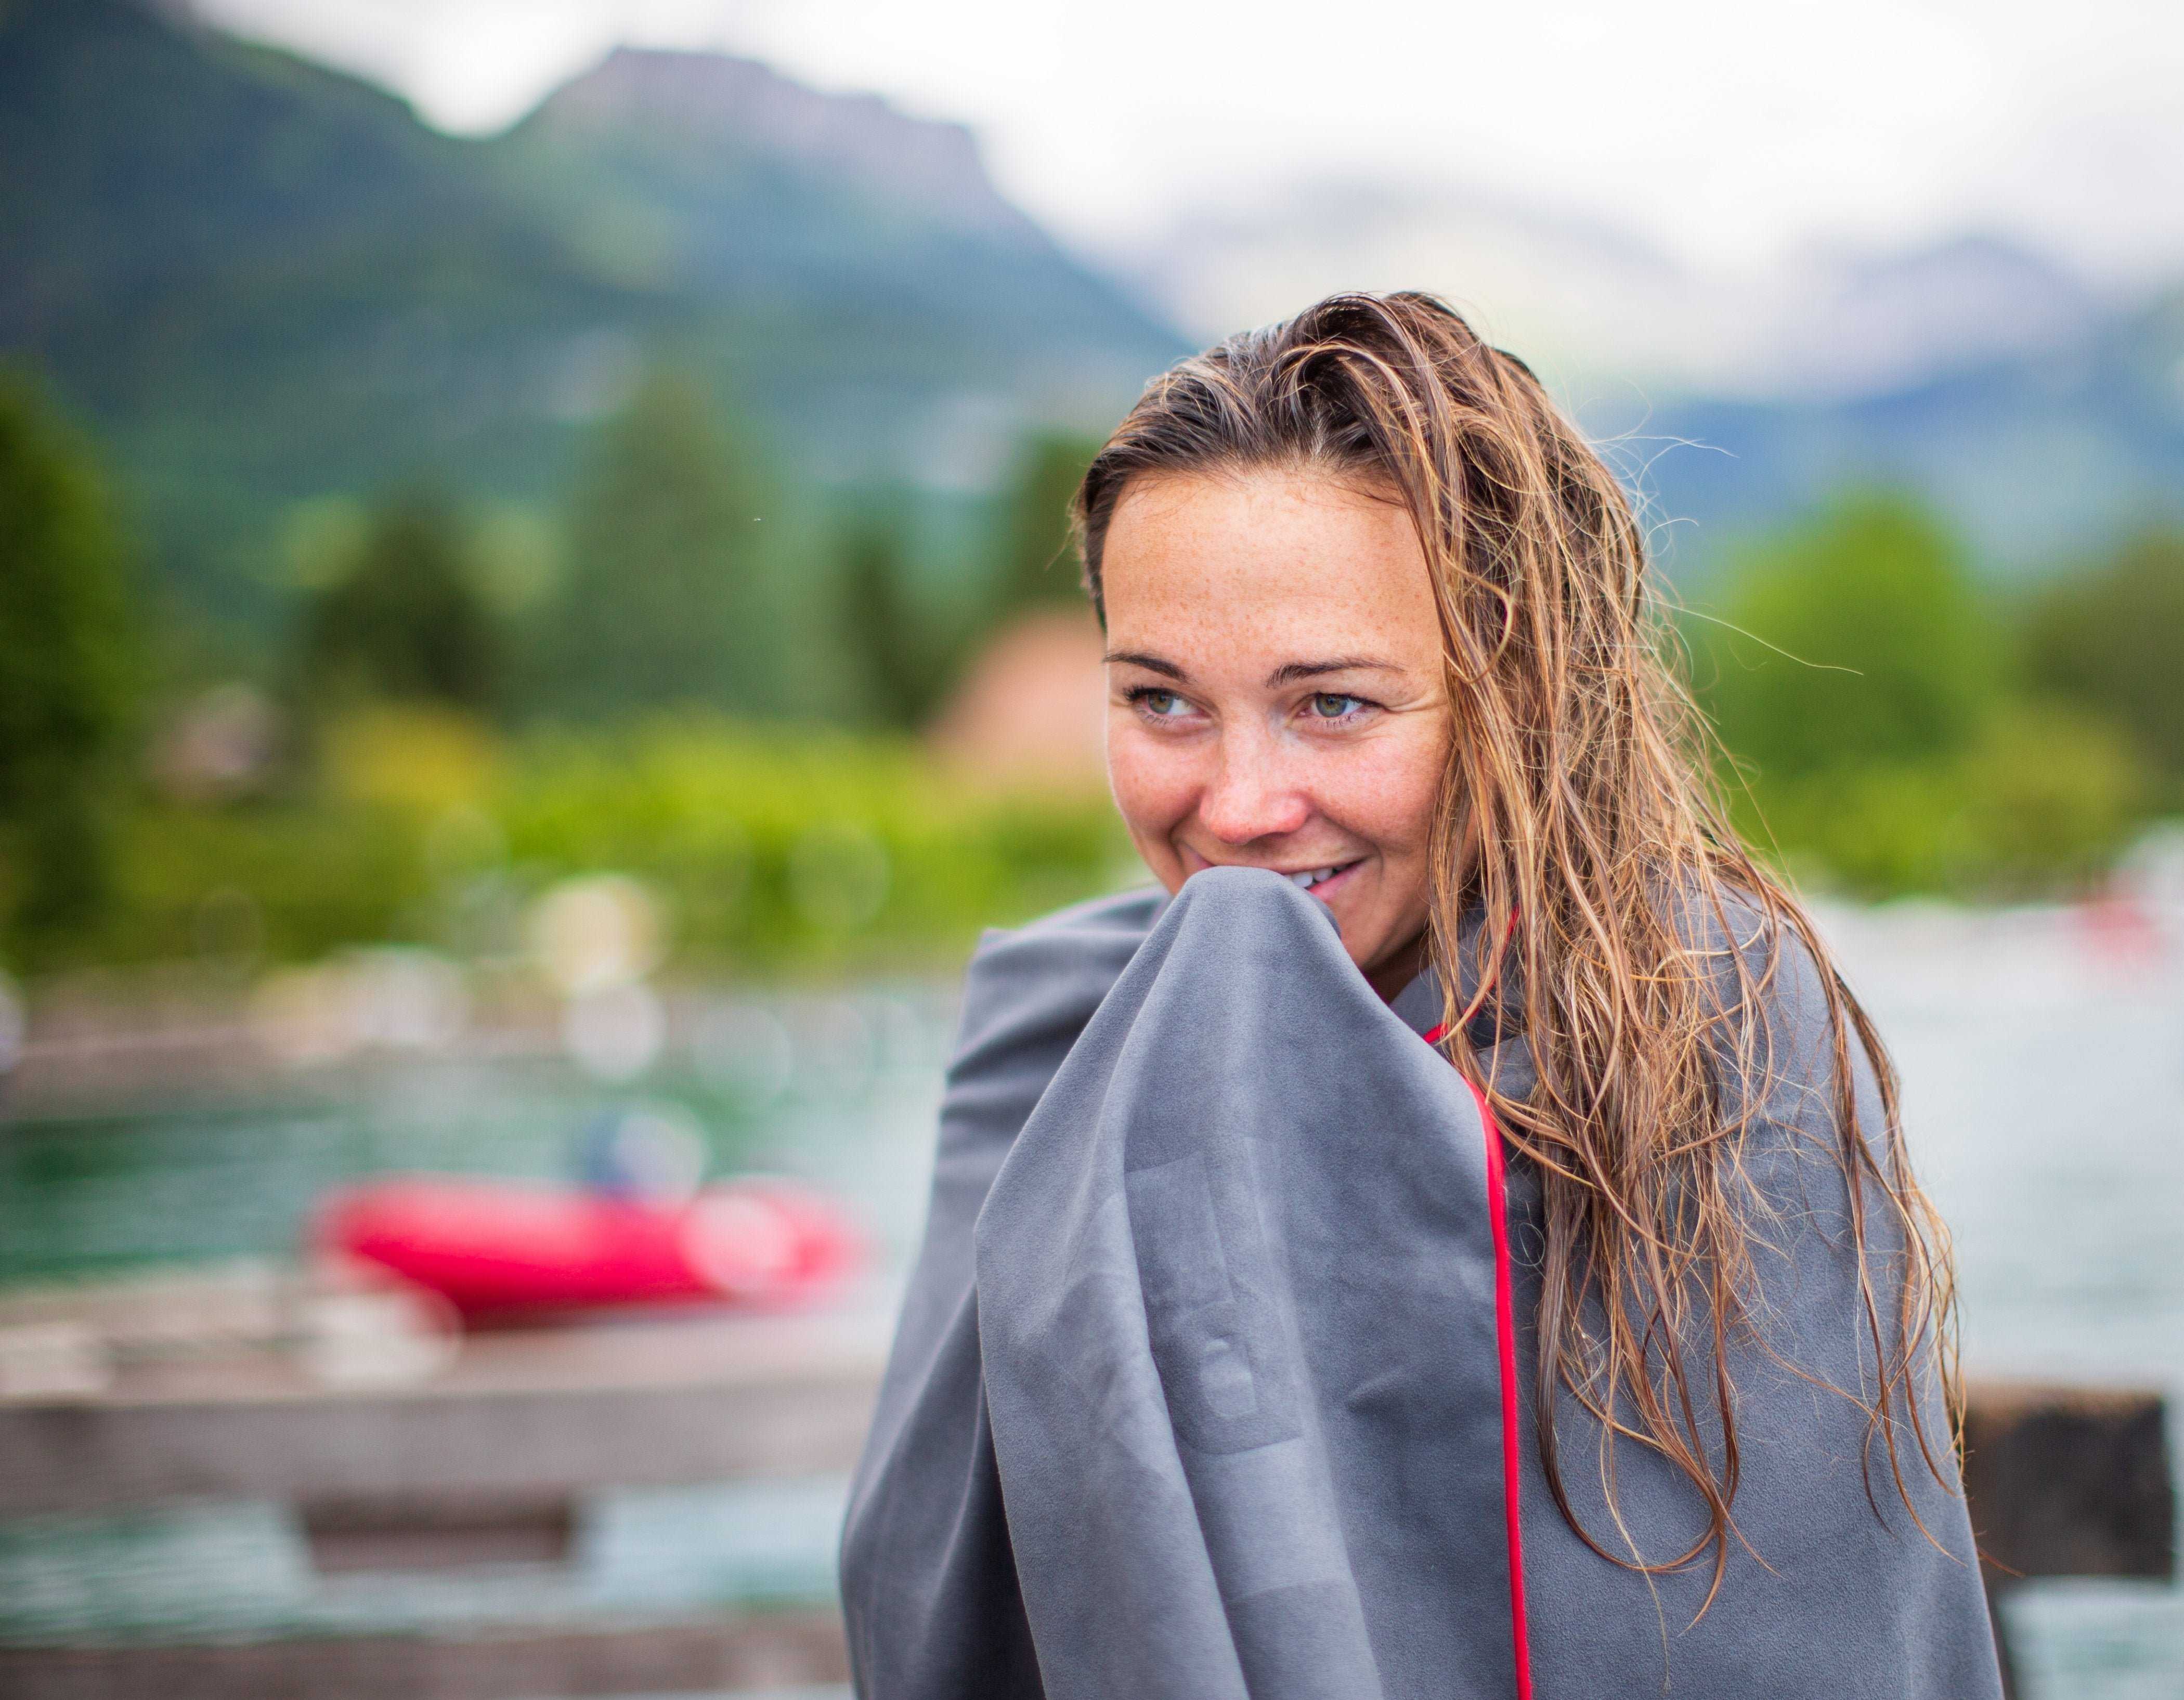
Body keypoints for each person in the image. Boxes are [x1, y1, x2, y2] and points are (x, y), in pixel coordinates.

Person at [840, 292, 2003, 1699]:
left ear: (1515, 689)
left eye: (1332, 704)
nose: (1239, 805)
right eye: (1161, 701)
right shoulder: (1057, 1048)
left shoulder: (1720, 1045)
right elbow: (928, 1604)